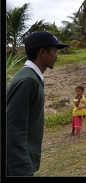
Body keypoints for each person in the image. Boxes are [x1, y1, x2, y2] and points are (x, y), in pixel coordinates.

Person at [6, 31, 69, 176]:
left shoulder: (32, 78)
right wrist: (23, 171)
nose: (56, 55)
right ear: (42, 52)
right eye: (54, 50)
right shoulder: (28, 81)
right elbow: (13, 132)